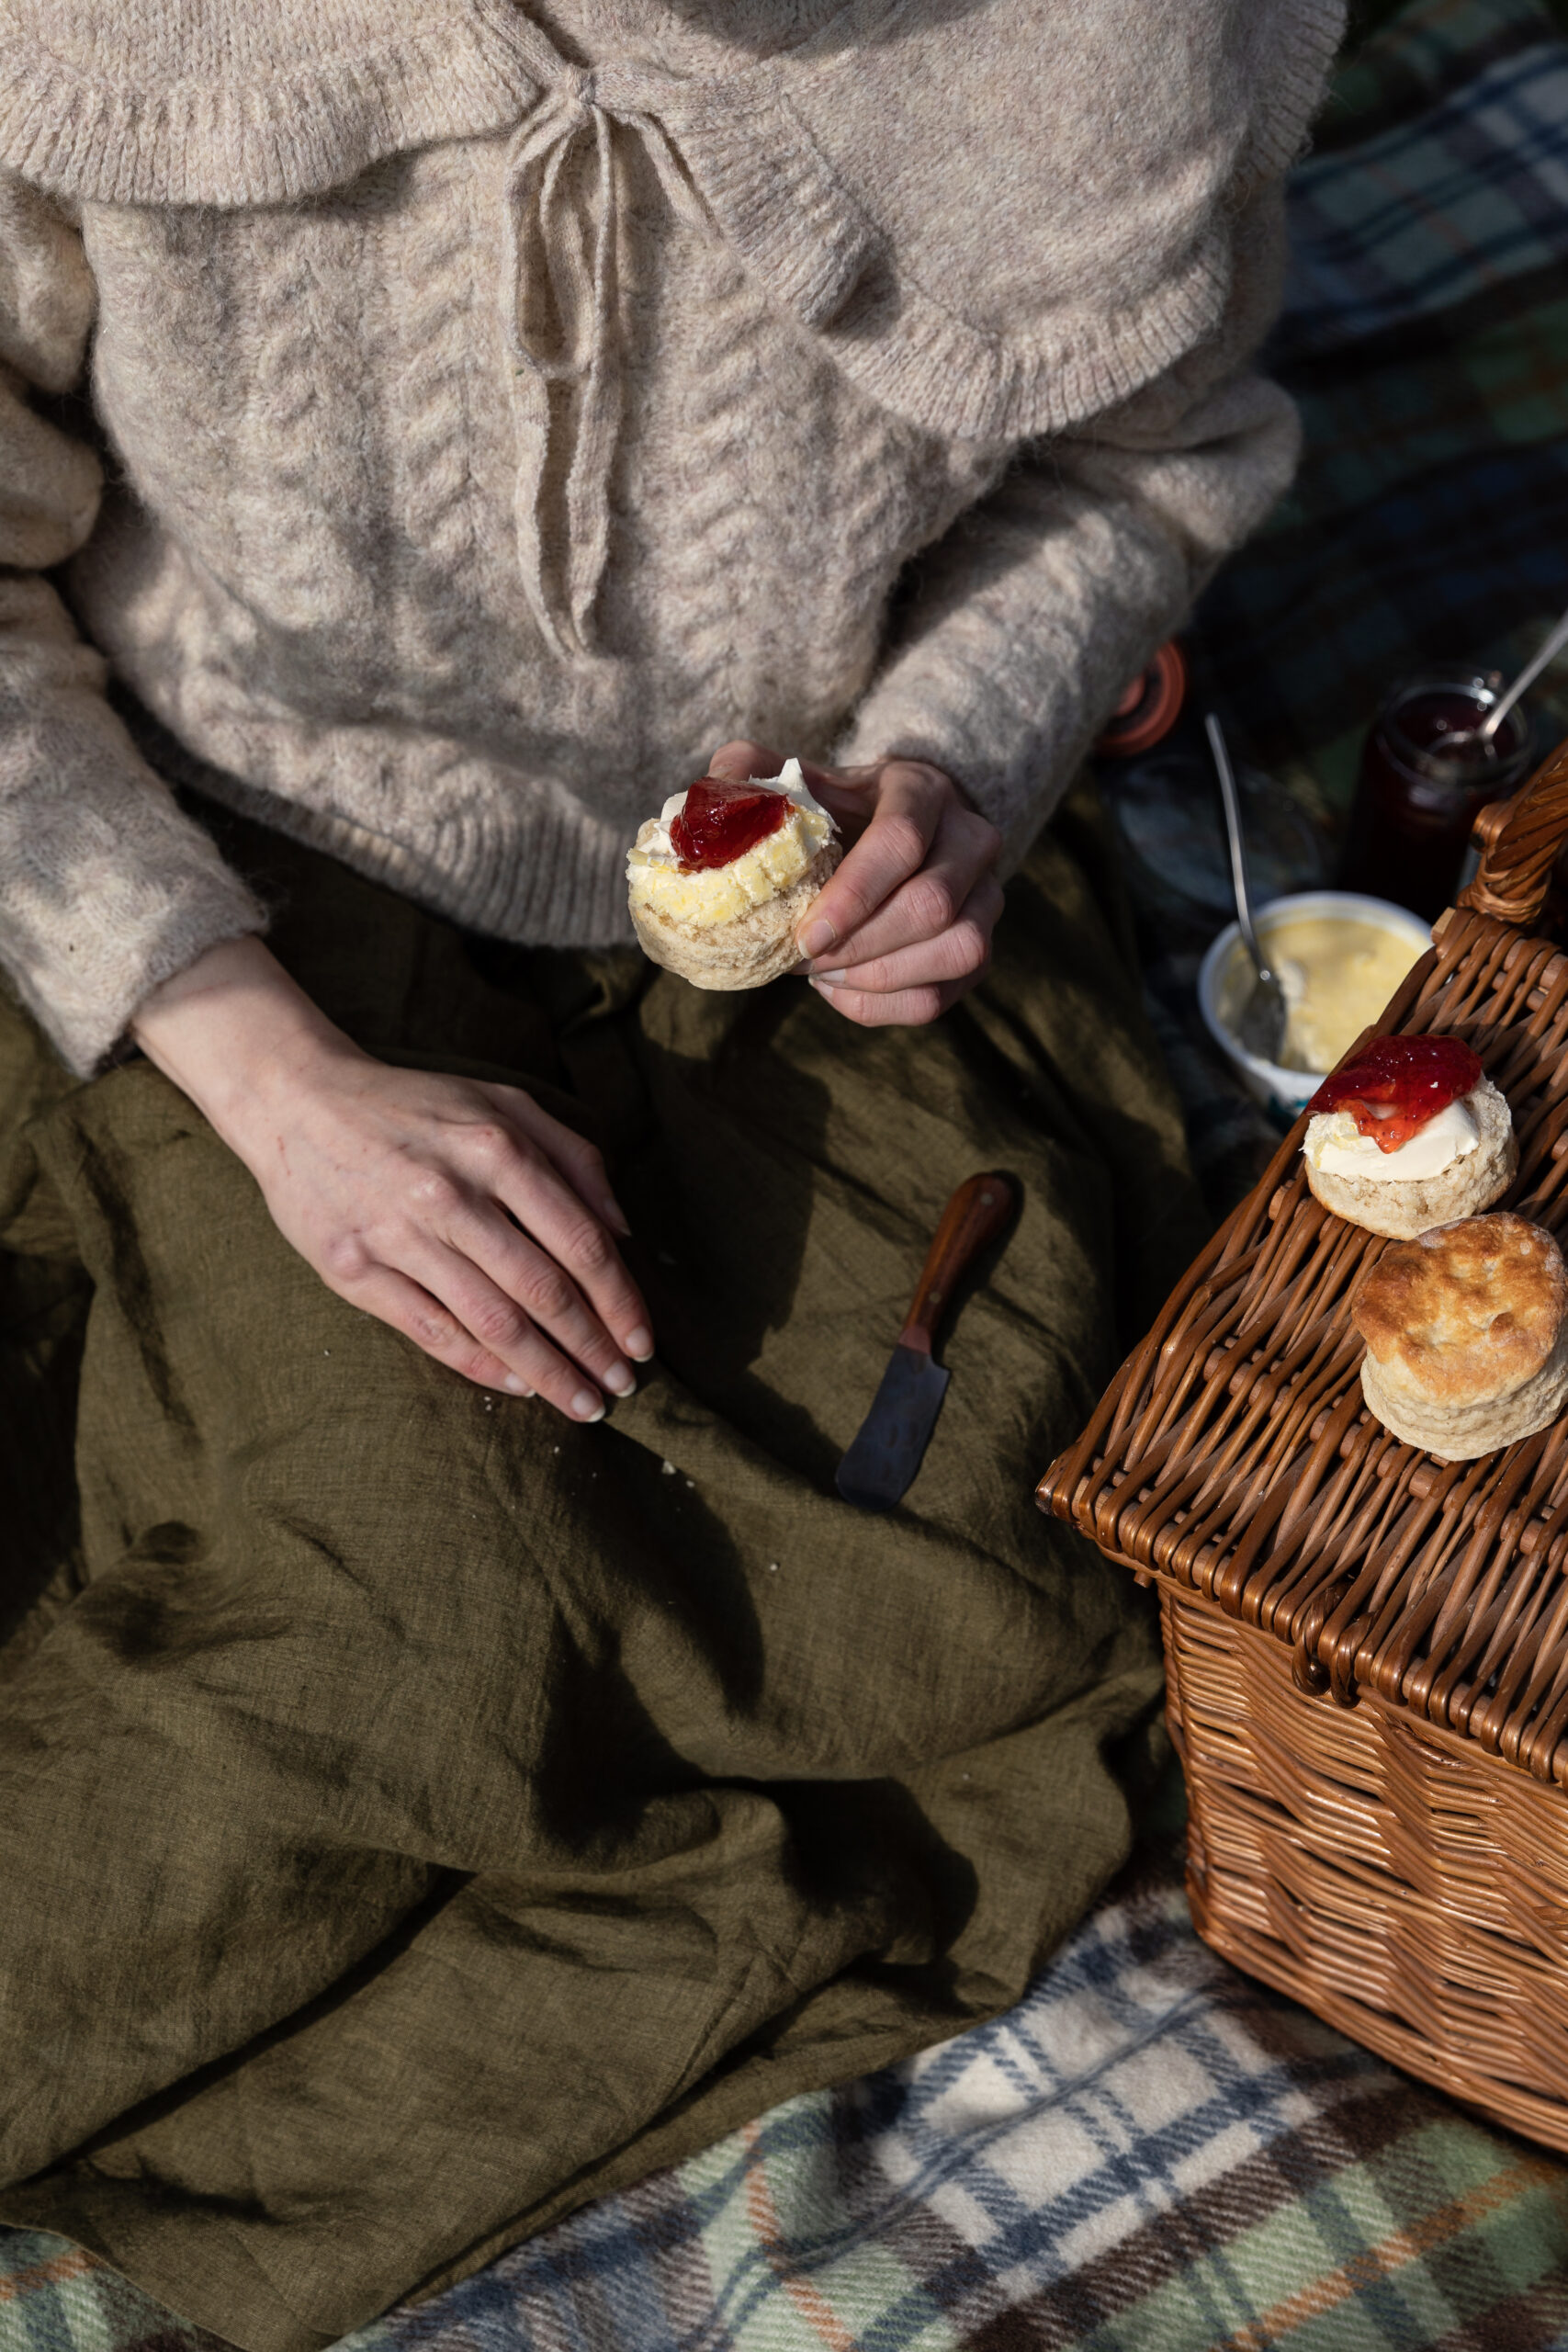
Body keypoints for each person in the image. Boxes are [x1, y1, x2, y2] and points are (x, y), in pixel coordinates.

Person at [0, 0, 1341, 2342]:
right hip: (216, 883)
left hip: (798, 931)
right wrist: (276, 1077)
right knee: (395, 1587)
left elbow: (1155, 460)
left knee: (986, 1578)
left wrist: (956, 767)